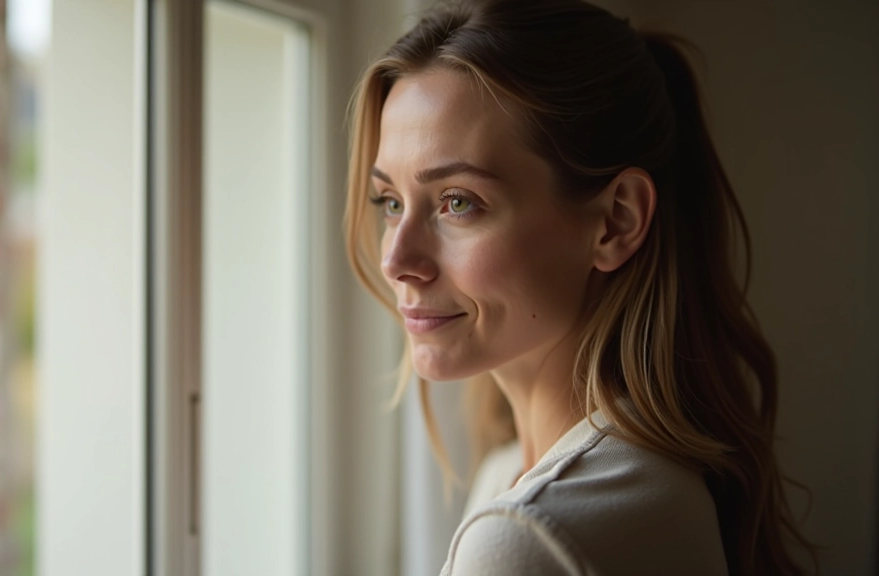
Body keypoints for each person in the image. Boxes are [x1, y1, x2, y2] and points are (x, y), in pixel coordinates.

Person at [343, 0, 817, 574]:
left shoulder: (532, 535)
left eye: (458, 202)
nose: (397, 260)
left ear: (616, 220)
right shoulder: (532, 477)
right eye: (390, 202)